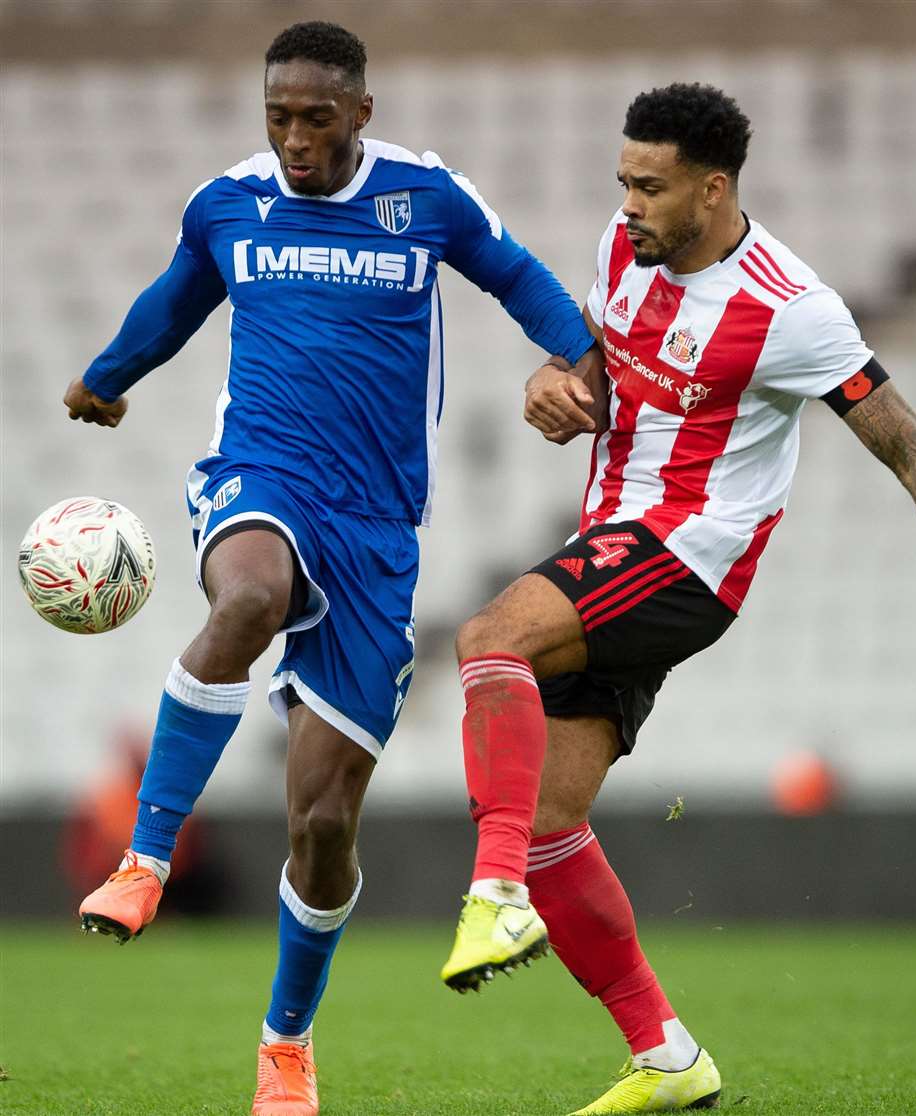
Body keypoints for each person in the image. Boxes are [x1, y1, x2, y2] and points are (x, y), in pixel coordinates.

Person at [438, 82, 916, 1114]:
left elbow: (909, 449)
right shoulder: (624, 248)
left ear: (714, 187)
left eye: (650, 187)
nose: (629, 204)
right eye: (622, 183)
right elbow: (601, 366)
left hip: (688, 560)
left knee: (488, 637)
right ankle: (667, 1055)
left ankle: (496, 892)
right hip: (609, 543)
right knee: (551, 816)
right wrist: (554, 386)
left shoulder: (790, 307)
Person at [65, 21, 597, 1116]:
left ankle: (286, 1044)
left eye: (317, 118)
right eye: (278, 117)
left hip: (378, 535)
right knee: (249, 593)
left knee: (320, 827)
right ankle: (147, 859)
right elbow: (177, 300)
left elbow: (519, 277)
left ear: (362, 111)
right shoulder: (229, 205)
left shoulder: (425, 197)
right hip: (257, 476)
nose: (296, 140)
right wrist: (106, 377)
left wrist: (570, 354)